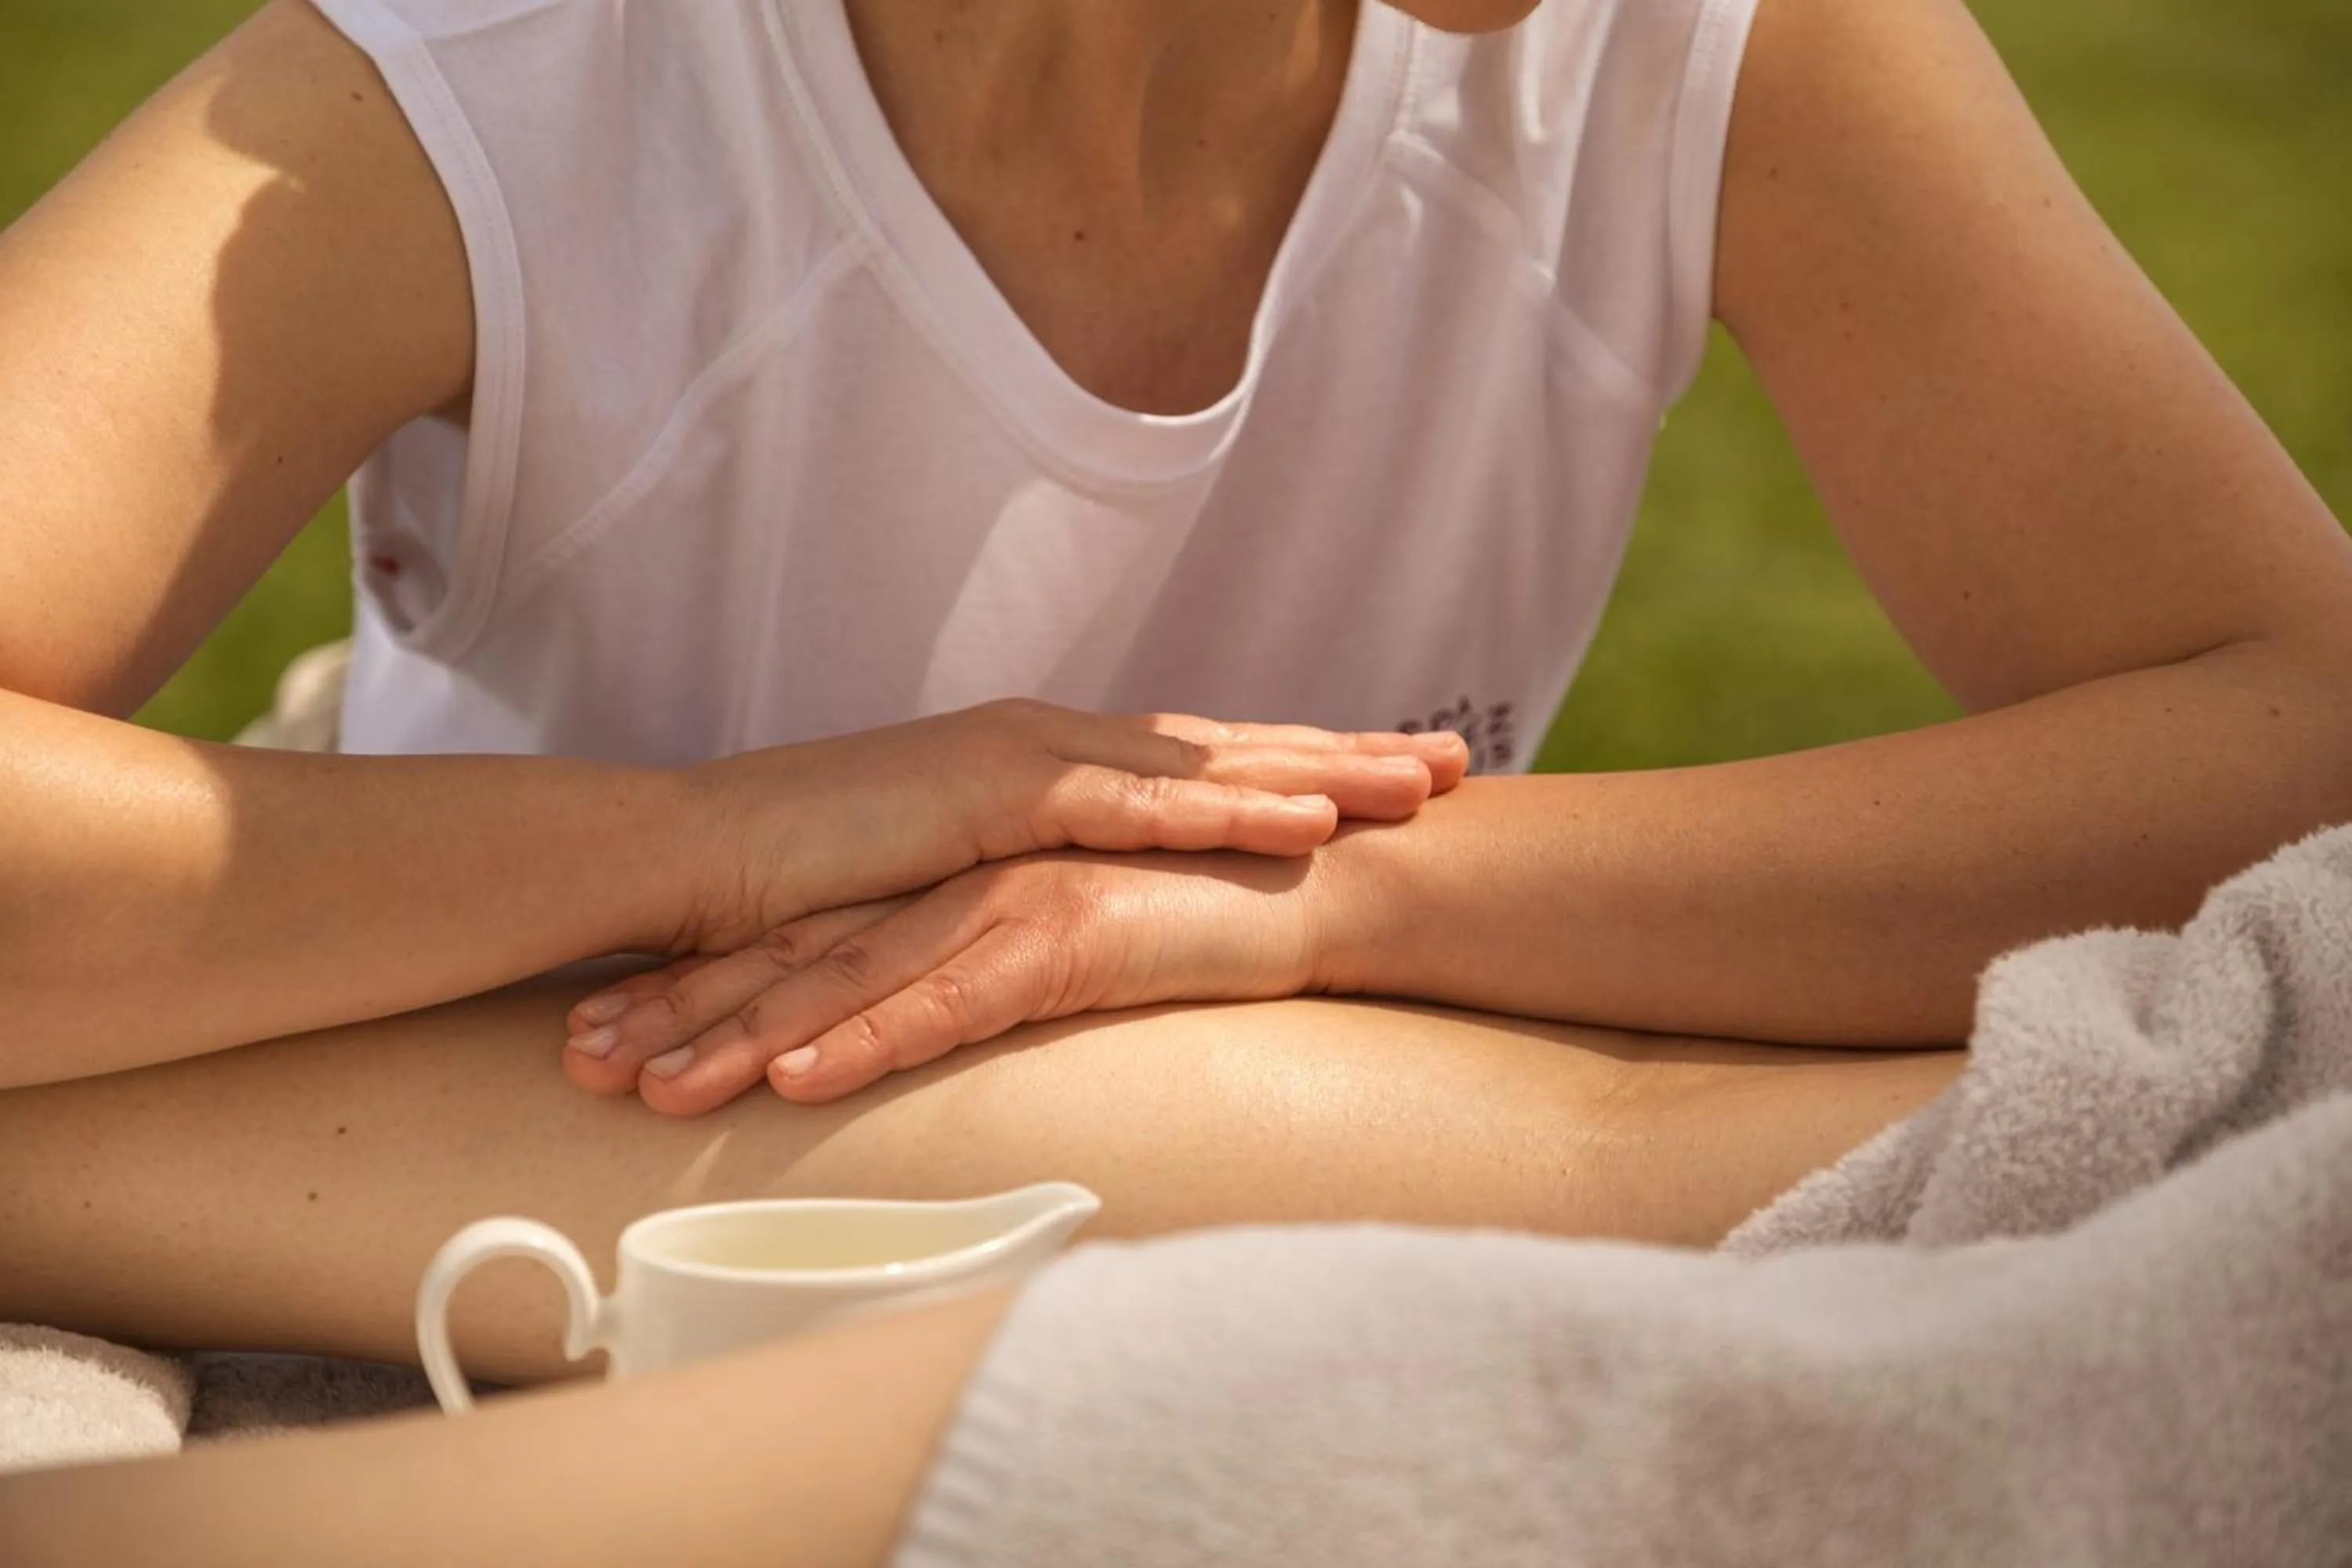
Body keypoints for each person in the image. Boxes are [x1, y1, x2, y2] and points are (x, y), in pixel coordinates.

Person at [0, 0, 2346, 1551]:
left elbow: (2291, 724)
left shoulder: (1703, 49)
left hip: (1260, 1113)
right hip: (485, 1088)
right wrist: (722, 841)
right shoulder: (490, 87)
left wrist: (1340, 892)